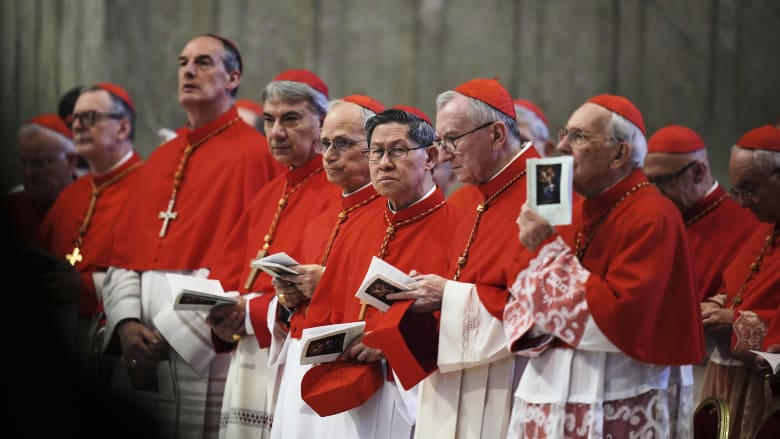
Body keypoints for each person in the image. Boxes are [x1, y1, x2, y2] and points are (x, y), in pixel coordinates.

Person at [100, 34, 280, 438]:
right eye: (183, 62)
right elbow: (124, 254)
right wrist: (127, 324)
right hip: (138, 347)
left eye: (202, 62)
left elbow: (251, 261)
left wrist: (169, 335)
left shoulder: (256, 155)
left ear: (233, 76)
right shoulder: (162, 156)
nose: (188, 70)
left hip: (203, 345)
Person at [503, 94, 705, 437]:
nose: (563, 145)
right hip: (556, 383)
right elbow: (522, 299)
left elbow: (618, 318)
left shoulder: (652, 216)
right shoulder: (579, 209)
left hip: (616, 390)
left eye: (579, 136)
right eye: (565, 132)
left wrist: (548, 248)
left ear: (620, 154)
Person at [380, 78, 539, 438]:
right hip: (458, 386)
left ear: (497, 135)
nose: (446, 153)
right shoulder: (478, 198)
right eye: (440, 141)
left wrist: (446, 296)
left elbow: (541, 312)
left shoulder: (543, 197)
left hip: (507, 385)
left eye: (452, 139)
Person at [302, 108, 463, 438]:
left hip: (416, 396)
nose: (384, 163)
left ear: (431, 156)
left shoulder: (458, 227)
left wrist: (389, 343)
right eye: (376, 152)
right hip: (348, 392)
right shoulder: (357, 224)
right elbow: (327, 310)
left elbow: (463, 319)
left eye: (398, 151)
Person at [205, 69, 342, 438]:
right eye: (269, 120)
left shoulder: (337, 193)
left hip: (290, 353)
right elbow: (230, 271)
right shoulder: (271, 191)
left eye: (290, 118)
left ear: (322, 122)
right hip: (249, 351)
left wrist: (248, 312)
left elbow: (327, 290)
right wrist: (219, 312)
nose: (276, 132)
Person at [265, 94, 386, 439]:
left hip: (351, 377)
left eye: (343, 143)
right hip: (300, 371)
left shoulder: (389, 215)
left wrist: (328, 286)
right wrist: (287, 299)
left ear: (374, 147)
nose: (329, 155)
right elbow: (301, 310)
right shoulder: (323, 216)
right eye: (325, 143)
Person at [33, 83, 144, 377]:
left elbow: (152, 273)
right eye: (74, 120)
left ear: (122, 128)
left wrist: (83, 287)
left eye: (90, 117)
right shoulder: (71, 194)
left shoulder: (150, 186)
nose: (78, 125)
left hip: (111, 339)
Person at [700, 124, 780, 438]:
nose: (743, 203)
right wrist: (716, 304)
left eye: (750, 188)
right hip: (731, 386)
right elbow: (735, 285)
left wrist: (735, 321)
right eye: (738, 191)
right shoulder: (764, 228)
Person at [447, 97, 551, 211]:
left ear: (547, 149)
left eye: (521, 142)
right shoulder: (460, 201)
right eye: (500, 141)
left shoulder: (552, 190)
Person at [3, 114, 77, 247]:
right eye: (24, 162)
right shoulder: (14, 204)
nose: (28, 173)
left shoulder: (94, 209)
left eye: (39, 163)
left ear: (70, 162)